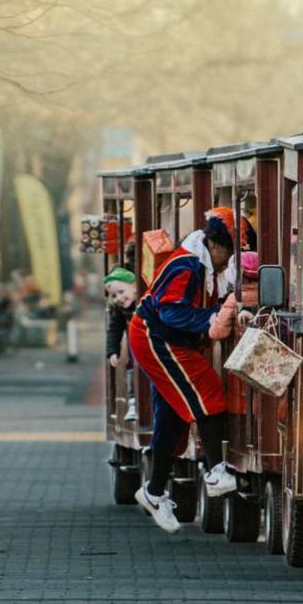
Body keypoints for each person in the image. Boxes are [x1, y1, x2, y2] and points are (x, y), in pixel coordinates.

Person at [129, 208, 246, 534]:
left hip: (163, 337)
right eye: (231, 254)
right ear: (218, 247)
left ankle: (152, 492)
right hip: (157, 337)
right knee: (208, 390)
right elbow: (170, 312)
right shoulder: (187, 265)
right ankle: (214, 471)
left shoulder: (198, 263)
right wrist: (211, 319)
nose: (229, 263)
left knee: (173, 415)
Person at [104, 267, 137, 421]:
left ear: (134, 286)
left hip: (148, 346)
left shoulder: (145, 302)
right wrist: (112, 351)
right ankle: (133, 402)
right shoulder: (119, 310)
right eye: (114, 295)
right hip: (134, 348)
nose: (119, 298)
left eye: (121, 292)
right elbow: (114, 331)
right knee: (132, 369)